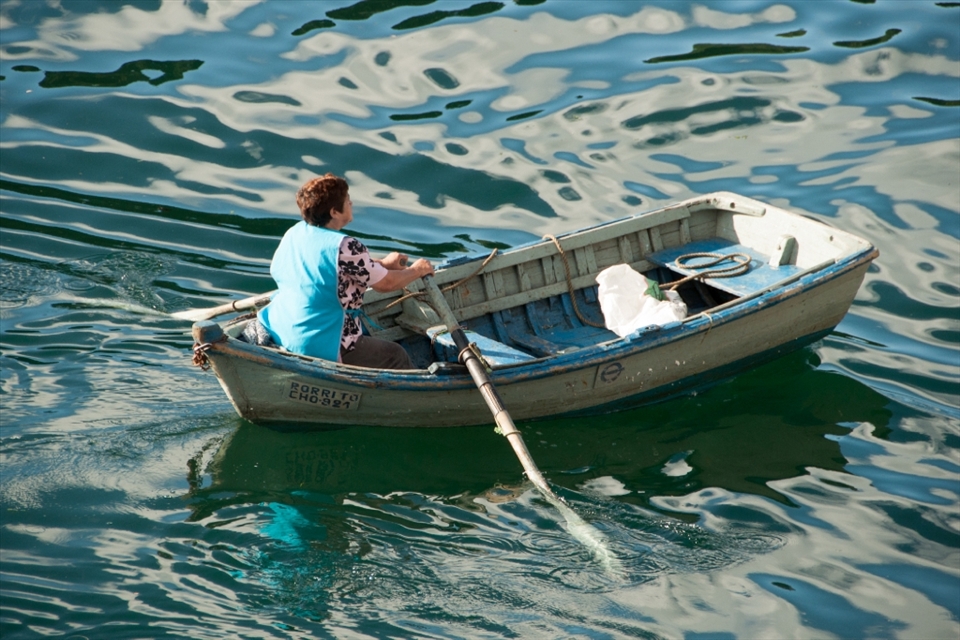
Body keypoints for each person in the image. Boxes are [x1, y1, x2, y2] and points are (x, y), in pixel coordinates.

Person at [241, 173, 434, 369]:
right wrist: (418, 270)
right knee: (396, 355)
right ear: (334, 212)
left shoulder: (295, 232)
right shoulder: (346, 246)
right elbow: (387, 284)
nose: (351, 203)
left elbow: (333, 267)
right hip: (319, 340)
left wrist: (382, 264)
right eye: (347, 200)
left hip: (280, 325)